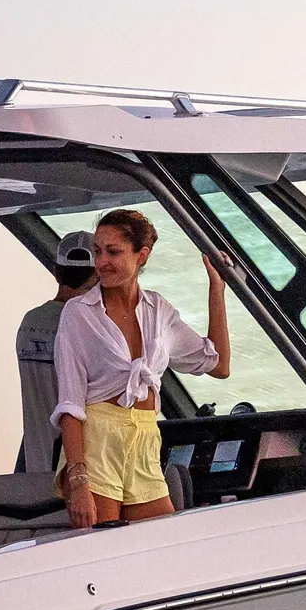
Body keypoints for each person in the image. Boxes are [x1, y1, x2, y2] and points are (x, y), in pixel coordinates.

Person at [54, 207, 228, 529]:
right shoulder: (78, 314)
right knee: (102, 553)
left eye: (113, 251)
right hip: (98, 441)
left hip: (146, 438)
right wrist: (77, 479)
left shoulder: (159, 310)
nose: (102, 261)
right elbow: (70, 404)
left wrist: (216, 290)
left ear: (141, 255)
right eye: (98, 251)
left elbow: (217, 364)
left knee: (160, 547)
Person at [13, 228, 98, 480]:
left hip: (35, 469)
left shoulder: (30, 322)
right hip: (78, 471)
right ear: (98, 274)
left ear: (56, 271)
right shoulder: (88, 324)